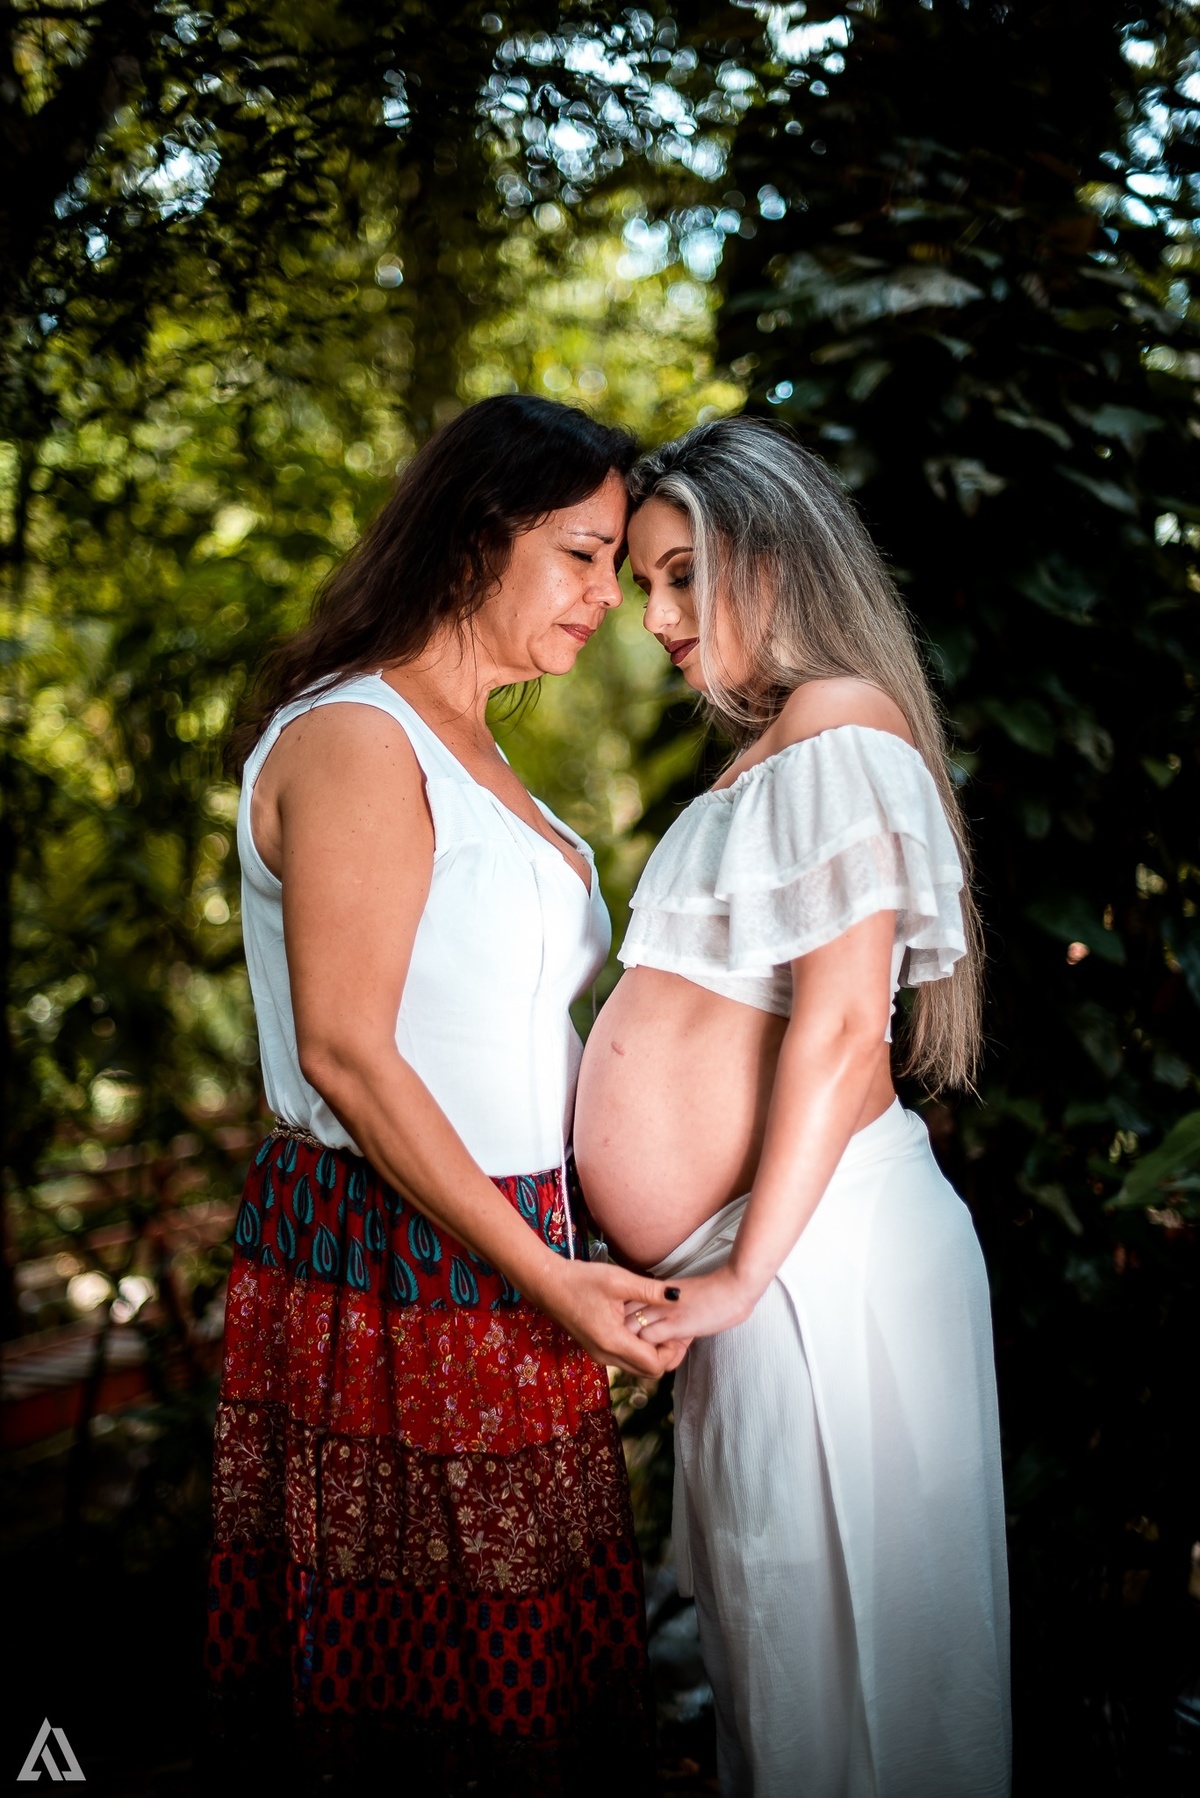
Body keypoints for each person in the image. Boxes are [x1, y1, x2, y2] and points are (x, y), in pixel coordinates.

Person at [203, 395, 686, 1798]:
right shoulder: (357, 736)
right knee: (424, 1670)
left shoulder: (476, 747)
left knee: (532, 1653)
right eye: (584, 554)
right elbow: (351, 1052)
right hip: (392, 1247)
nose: (609, 594)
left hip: (511, 1245)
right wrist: (547, 1270)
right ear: (482, 537)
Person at [574, 417, 1011, 1797]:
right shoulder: (784, 747)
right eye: (646, 582)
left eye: (684, 574)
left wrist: (741, 1277)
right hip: (776, 1268)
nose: (655, 618)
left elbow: (839, 1025)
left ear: (776, 556)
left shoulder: (838, 730)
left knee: (853, 1692)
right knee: (788, 1672)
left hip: (813, 1268)